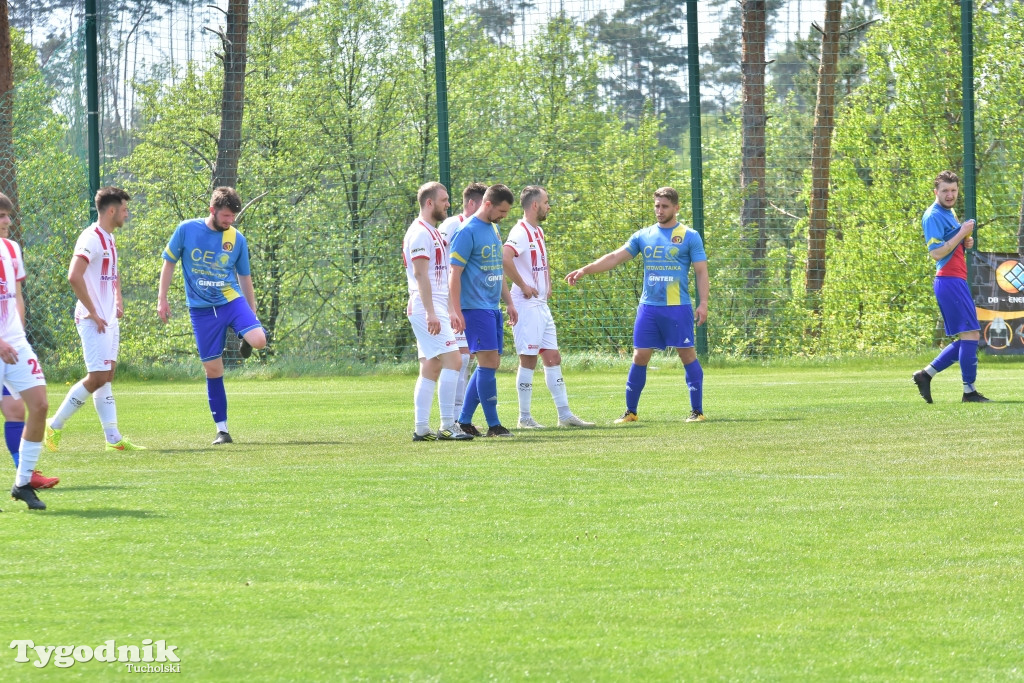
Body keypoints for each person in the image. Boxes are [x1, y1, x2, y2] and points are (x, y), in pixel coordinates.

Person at [565, 186, 708, 423]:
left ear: (676, 208)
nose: (659, 211)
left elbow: (702, 272)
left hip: (677, 307)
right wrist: (585, 270)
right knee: (640, 356)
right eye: (657, 206)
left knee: (687, 354)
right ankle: (630, 412)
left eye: (664, 206)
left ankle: (697, 411)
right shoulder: (644, 235)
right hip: (649, 306)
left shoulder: (689, 235)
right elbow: (615, 257)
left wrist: (703, 303)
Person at [158, 187, 268, 444]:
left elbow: (244, 276)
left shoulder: (236, 238)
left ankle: (245, 333)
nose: (230, 221)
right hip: (202, 310)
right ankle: (222, 430)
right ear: (212, 210)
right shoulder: (186, 229)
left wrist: (252, 309)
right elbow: (169, 262)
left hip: (230, 300)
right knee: (213, 370)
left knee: (259, 340)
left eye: (233, 217)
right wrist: (161, 299)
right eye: (226, 216)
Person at [45, 187, 146, 454]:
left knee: (107, 376)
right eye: (124, 209)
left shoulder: (109, 238)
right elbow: (74, 276)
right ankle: (54, 424)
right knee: (97, 376)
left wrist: (118, 300)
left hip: (109, 318)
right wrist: (92, 310)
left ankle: (113, 439)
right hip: (94, 320)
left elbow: (113, 272)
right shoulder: (90, 238)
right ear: (111, 211)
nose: (127, 213)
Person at [503, 186, 593, 429]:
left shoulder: (538, 231)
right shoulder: (520, 231)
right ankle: (524, 418)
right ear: (535, 205)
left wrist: (547, 284)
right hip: (526, 304)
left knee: (553, 357)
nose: (548, 206)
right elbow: (505, 257)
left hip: (541, 304)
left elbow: (542, 262)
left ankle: (565, 415)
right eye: (546, 202)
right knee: (528, 360)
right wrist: (523, 285)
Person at [403, 181, 473, 441]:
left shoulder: (432, 231)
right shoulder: (420, 232)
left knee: (431, 367)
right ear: (429, 203)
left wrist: (450, 310)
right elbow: (421, 275)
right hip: (424, 307)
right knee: (454, 360)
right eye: (444, 200)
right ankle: (447, 425)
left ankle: (421, 429)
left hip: (434, 306)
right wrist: (432, 312)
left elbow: (438, 276)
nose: (448, 204)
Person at [912, 170, 990, 403]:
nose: (950, 195)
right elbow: (936, 253)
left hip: (956, 279)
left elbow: (952, 243)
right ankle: (969, 392)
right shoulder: (932, 215)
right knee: (971, 334)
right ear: (935, 191)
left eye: (953, 190)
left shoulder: (949, 211)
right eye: (945, 190)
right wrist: (962, 233)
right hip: (948, 280)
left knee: (968, 337)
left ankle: (926, 374)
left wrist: (965, 240)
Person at [448, 184, 518, 437]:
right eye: (501, 211)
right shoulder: (466, 232)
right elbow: (454, 274)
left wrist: (508, 302)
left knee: (490, 363)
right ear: (487, 204)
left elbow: (496, 269)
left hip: (492, 306)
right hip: (474, 308)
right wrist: (455, 311)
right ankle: (494, 425)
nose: (503, 216)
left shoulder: (495, 229)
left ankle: (464, 421)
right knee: (488, 362)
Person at [0, 206, 57, 490]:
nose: (7, 221)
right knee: (13, 409)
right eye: (0, 216)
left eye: (8, 215)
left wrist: (18, 335)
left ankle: (25, 476)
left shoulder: (11, 249)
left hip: (14, 343)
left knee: (24, 407)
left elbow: (17, 295)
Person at [438, 182, 486, 421]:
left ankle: (460, 417)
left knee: (469, 358)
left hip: (470, 300)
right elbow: (441, 260)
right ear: (471, 203)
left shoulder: (481, 227)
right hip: (450, 301)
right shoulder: (451, 224)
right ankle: (454, 418)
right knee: (460, 358)